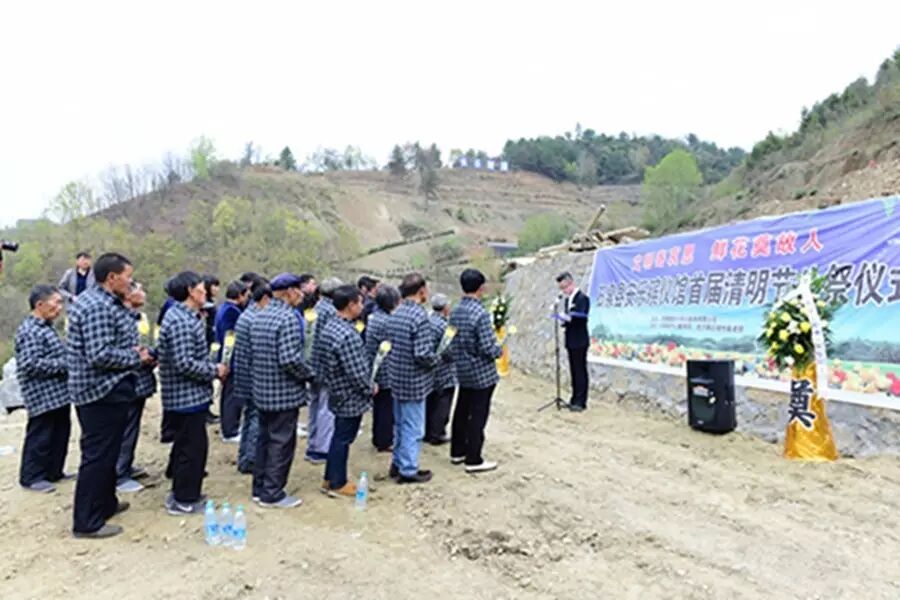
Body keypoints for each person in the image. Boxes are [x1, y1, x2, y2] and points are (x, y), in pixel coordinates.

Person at [68, 252, 153, 539]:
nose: (131, 282)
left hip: (111, 388)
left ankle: (105, 503)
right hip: (99, 391)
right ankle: (87, 522)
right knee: (97, 456)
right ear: (112, 277)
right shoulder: (97, 306)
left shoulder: (109, 302)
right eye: (128, 277)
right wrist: (136, 357)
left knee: (109, 452)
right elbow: (99, 354)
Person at [158, 271, 227, 515]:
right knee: (191, 449)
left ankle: (185, 492)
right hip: (185, 396)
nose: (205, 291)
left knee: (187, 447)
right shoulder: (180, 321)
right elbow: (184, 363)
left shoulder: (186, 316)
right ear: (190, 290)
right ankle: (184, 499)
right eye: (201, 287)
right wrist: (215, 370)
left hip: (190, 396)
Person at [250, 273, 313, 508]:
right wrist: (309, 373)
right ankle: (273, 492)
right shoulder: (287, 318)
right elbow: (289, 359)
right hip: (283, 392)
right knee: (281, 443)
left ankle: (259, 487)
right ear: (290, 292)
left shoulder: (260, 314)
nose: (302, 296)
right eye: (299, 291)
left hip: (262, 389)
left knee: (264, 440)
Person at [320, 285, 376, 497]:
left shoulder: (330, 327)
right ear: (351, 305)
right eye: (359, 302)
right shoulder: (347, 335)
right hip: (349, 394)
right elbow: (356, 372)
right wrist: (369, 387)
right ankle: (338, 482)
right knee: (343, 438)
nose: (362, 306)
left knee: (339, 435)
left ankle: (330, 477)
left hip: (335, 389)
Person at [16, 285, 71, 494]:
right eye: (56, 303)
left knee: (59, 434)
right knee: (41, 436)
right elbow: (30, 364)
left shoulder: (46, 327)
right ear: (40, 304)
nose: (60, 308)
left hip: (58, 394)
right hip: (42, 395)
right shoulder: (30, 331)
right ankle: (31, 477)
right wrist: (65, 364)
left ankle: (54, 472)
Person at [387, 273, 439, 484]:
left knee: (400, 424)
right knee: (414, 427)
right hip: (414, 381)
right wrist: (436, 359)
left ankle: (397, 462)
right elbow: (422, 354)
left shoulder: (396, 313)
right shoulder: (420, 317)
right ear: (421, 291)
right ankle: (408, 469)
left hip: (396, 376)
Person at [449, 268, 502, 473]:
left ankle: (457, 451)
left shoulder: (455, 311)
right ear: (481, 288)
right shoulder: (480, 314)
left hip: (462, 369)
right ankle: (474, 458)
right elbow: (488, 347)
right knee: (478, 415)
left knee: (462, 410)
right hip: (481, 372)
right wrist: (499, 350)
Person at [116, 282, 157, 493]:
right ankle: (119, 474)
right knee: (125, 428)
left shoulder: (138, 317)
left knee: (132, 427)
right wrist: (140, 357)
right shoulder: (122, 318)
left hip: (140, 379)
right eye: (139, 289)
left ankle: (126, 465)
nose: (144, 293)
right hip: (128, 381)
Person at [234, 279, 272, 474]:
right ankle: (250, 458)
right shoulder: (255, 319)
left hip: (244, 374)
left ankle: (244, 456)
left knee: (250, 417)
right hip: (253, 375)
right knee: (256, 418)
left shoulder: (246, 315)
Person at [306, 277, 342, 464]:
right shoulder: (332, 312)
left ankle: (312, 444)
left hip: (312, 365)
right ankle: (322, 448)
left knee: (314, 405)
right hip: (325, 366)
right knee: (326, 407)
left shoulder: (316, 308)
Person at [365, 285, 400, 452]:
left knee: (379, 406)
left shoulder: (373, 317)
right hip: (386, 368)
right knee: (386, 407)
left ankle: (378, 437)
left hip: (375, 366)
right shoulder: (389, 322)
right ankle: (385, 440)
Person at [215, 281, 249, 442]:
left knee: (230, 394)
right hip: (232, 360)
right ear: (240, 295)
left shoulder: (224, 308)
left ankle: (230, 427)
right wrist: (228, 361)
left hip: (227, 358)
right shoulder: (232, 312)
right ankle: (230, 430)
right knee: (232, 396)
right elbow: (230, 338)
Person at [425, 293, 457, 445]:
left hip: (429, 370)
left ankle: (427, 431)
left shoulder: (427, 321)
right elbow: (449, 351)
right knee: (442, 403)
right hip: (444, 370)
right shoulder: (444, 326)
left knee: (430, 401)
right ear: (445, 307)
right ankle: (436, 433)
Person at [556, 271, 590, 411]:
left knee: (580, 370)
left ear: (571, 283)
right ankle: (574, 398)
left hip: (580, 339)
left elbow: (582, 317)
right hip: (570, 339)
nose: (563, 291)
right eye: (561, 288)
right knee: (573, 370)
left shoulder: (582, 298)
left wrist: (570, 318)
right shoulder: (567, 300)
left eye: (564, 287)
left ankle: (581, 401)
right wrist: (563, 320)